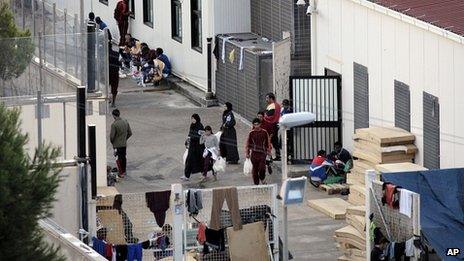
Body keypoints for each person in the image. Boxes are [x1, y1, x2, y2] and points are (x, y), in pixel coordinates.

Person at [245, 118, 271, 185]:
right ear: (253, 125)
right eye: (255, 124)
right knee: (255, 170)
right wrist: (247, 153)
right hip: (254, 154)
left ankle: (262, 178)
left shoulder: (264, 132)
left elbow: (268, 142)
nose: (256, 126)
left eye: (258, 124)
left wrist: (269, 151)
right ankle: (256, 184)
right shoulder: (251, 133)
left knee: (262, 168)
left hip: (262, 153)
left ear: (260, 124)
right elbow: (248, 144)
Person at [182, 114, 205, 181]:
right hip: (192, 147)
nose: (192, 120)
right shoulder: (192, 125)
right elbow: (190, 133)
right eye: (191, 119)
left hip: (199, 147)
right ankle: (186, 175)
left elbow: (201, 136)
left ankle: (204, 173)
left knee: (200, 160)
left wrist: (193, 137)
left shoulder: (200, 126)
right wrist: (189, 138)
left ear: (196, 119)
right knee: (189, 160)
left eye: (193, 119)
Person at [110, 109, 132, 178]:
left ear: (113, 115)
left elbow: (112, 136)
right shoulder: (125, 122)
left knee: (118, 158)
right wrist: (125, 139)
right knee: (123, 157)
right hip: (124, 144)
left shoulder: (114, 124)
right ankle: (124, 171)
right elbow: (130, 133)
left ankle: (121, 172)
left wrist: (113, 142)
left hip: (117, 145)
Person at [263, 93, 281, 161]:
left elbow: (268, 116)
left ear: (271, 98)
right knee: (274, 141)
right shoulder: (276, 105)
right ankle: (277, 155)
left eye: (267, 98)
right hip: (275, 125)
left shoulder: (272, 106)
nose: (266, 100)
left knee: (269, 141)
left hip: (272, 126)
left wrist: (265, 116)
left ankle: (269, 157)